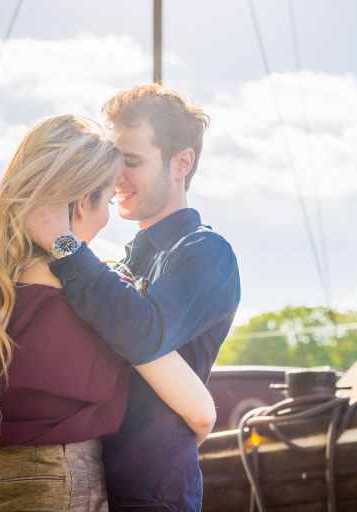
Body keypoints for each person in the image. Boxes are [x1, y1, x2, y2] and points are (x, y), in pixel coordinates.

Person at [0, 114, 217, 511]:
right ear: (82, 201)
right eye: (108, 200)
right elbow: (200, 411)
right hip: (55, 481)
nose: (109, 213)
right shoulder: (95, 294)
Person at [25, 84, 241, 512]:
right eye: (112, 160)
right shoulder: (116, 261)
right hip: (81, 486)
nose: (115, 177)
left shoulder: (205, 252)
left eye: (133, 162)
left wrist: (64, 245)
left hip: (150, 493)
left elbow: (144, 333)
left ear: (182, 162)